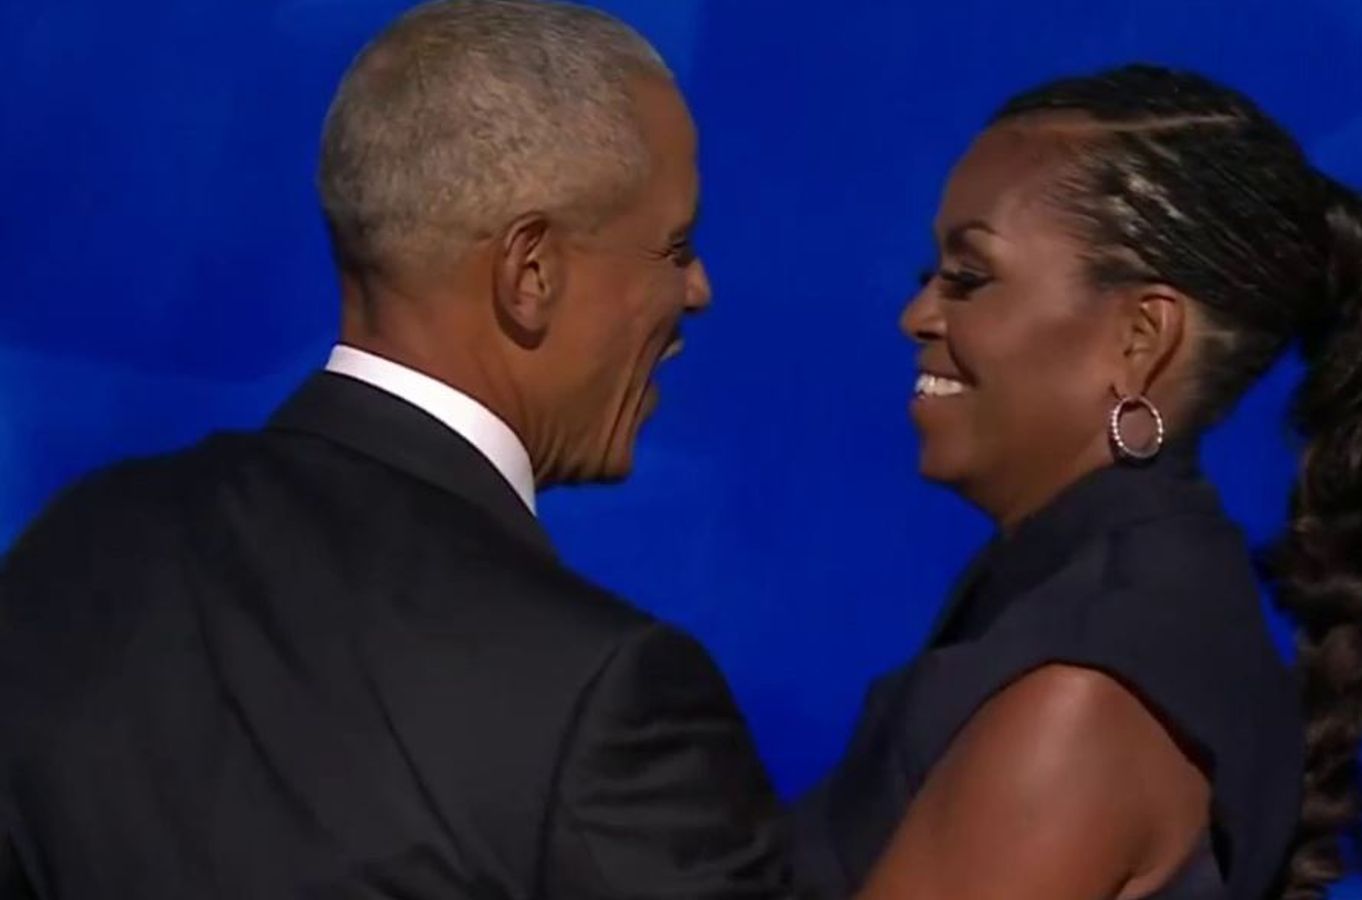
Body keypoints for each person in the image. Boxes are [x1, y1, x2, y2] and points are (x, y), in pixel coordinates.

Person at [0, 1, 791, 897]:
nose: (699, 290)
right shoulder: (603, 700)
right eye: (674, 247)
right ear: (531, 275)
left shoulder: (78, 546)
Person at [794, 65, 1362, 900]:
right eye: (929, 275)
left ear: (1140, 338)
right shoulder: (1080, 598)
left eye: (968, 277)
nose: (919, 315)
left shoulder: (1084, 694)